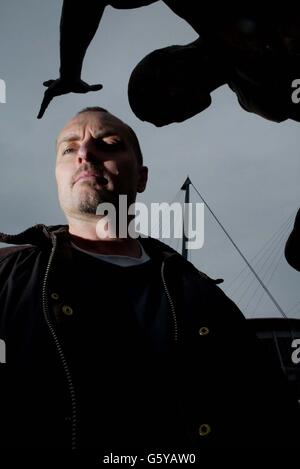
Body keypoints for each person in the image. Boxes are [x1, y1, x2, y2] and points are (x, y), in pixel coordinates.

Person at [0, 107, 299, 451]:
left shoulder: (204, 299)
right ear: (57, 175)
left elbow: (271, 418)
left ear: (141, 178)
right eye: (69, 149)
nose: (84, 153)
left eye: (109, 143)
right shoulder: (7, 278)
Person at [37, 1, 300, 126]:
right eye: (170, 118)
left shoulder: (209, 9)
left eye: (168, 110)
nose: (179, 117)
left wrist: (70, 70)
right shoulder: (261, 99)